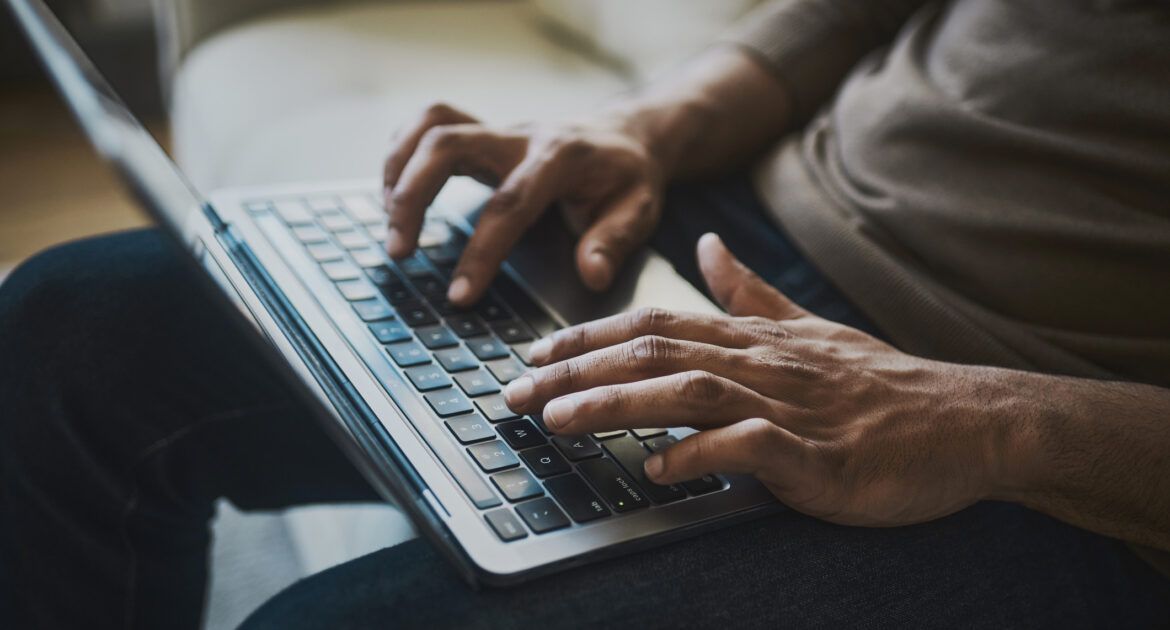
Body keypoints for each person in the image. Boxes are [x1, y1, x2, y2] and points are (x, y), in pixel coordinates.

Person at [2, 0, 1169, 627]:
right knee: (67, 329)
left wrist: (997, 423)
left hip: (1032, 440)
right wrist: (653, 123)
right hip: (733, 233)